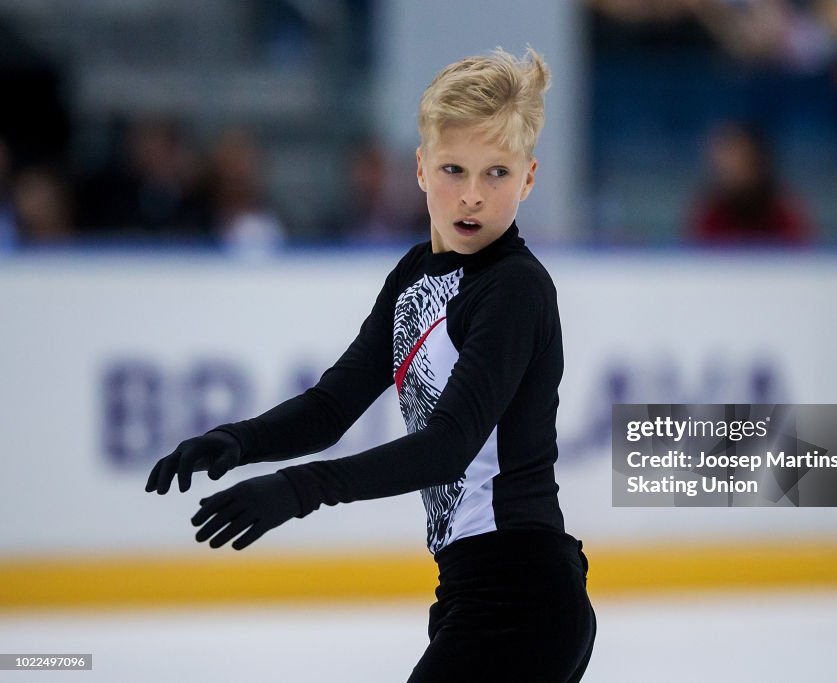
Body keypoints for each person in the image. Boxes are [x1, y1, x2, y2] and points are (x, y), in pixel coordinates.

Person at [145, 47, 597, 683]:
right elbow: (334, 406)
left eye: (497, 173)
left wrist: (300, 489)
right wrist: (237, 441)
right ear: (419, 168)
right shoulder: (415, 276)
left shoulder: (514, 289)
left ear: (527, 179)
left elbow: (447, 447)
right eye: (453, 169)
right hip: (471, 593)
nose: (471, 196)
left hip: (522, 598)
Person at [687, 120, 813, 244]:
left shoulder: (784, 214)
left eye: (738, 158)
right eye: (724, 161)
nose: (731, 167)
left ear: (757, 159)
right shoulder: (711, 216)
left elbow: (802, 254)